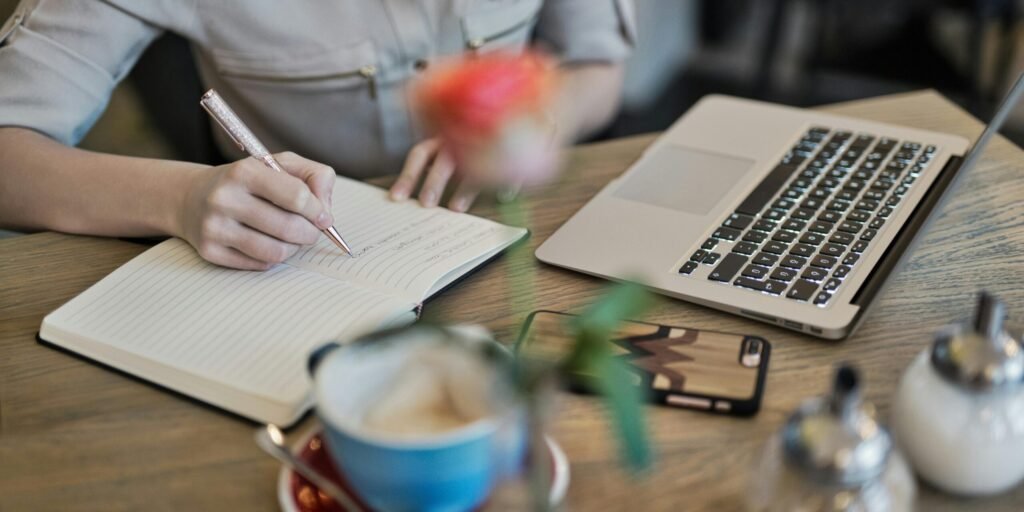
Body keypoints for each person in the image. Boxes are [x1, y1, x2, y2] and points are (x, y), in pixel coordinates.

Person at [0, 1, 635, 270]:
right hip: (291, 264)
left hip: (513, 234)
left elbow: (598, 66)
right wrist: (179, 198)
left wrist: (541, 121)